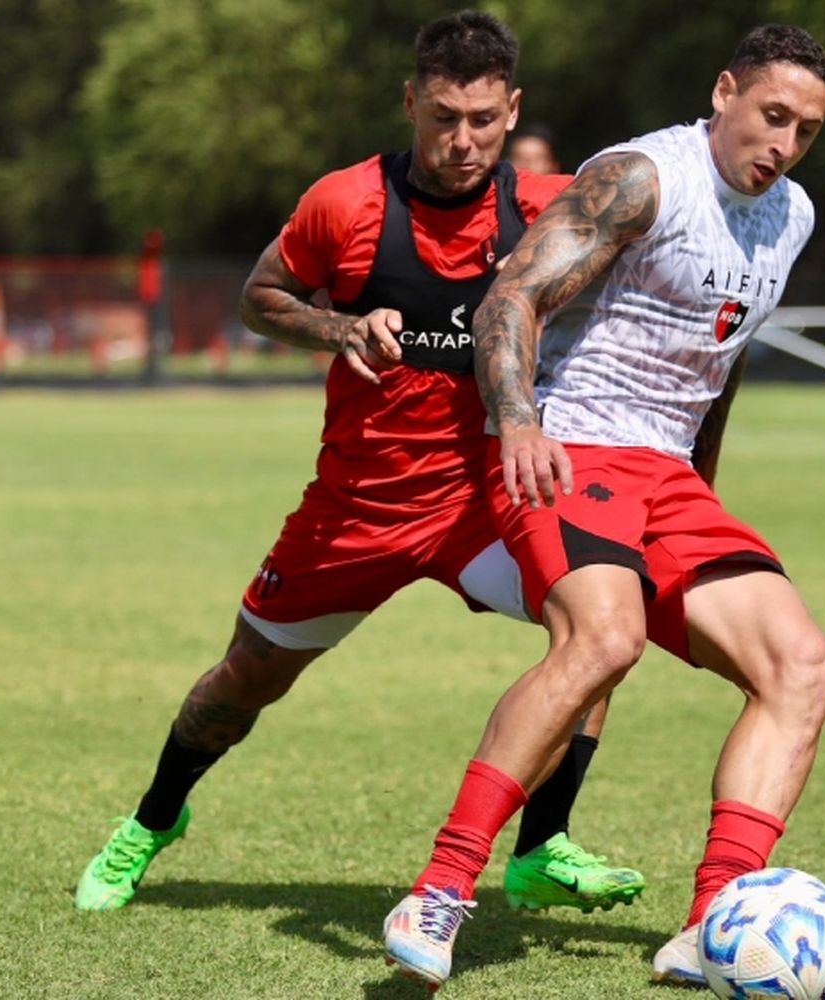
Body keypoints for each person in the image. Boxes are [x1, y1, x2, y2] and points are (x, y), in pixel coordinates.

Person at [72, 11, 645, 919]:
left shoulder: (544, 210)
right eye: (444, 117)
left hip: (484, 505)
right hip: (358, 507)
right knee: (245, 679)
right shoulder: (344, 203)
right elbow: (261, 297)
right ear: (410, 100)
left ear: (514, 110)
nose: (464, 141)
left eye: (485, 120)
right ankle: (153, 818)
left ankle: (542, 847)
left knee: (603, 628)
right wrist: (339, 327)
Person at [383, 25, 825, 991]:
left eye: (804, 130)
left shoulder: (791, 213)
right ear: (724, 92)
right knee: (604, 641)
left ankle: (716, 918)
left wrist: (701, 485)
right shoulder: (642, 179)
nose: (784, 144)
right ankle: (440, 887)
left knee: (802, 667)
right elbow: (509, 298)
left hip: (667, 475)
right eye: (772, 116)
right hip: (573, 443)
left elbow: (727, 354)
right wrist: (517, 426)